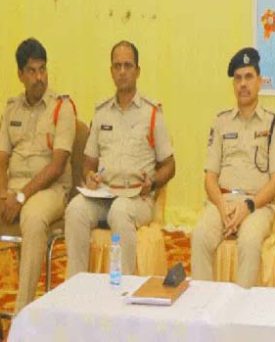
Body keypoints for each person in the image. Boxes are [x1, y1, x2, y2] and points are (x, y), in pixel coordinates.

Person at [65, 41, 175, 277]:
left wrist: (153, 183)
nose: (122, 71)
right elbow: (88, 162)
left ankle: (122, 287)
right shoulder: (101, 112)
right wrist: (89, 176)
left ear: (137, 71)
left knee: (120, 211)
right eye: (117, 66)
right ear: (111, 71)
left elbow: (170, 165)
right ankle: (76, 285)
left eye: (128, 65)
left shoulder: (152, 113)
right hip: (103, 195)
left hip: (137, 198)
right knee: (75, 209)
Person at [191, 47, 275, 288]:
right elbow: (210, 178)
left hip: (257, 205)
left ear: (259, 82)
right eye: (238, 78)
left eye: (249, 77)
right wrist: (222, 206)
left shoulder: (274, 122)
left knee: (249, 241)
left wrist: (248, 206)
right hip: (222, 202)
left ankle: (241, 305)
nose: (243, 84)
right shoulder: (221, 121)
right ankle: (203, 303)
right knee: (200, 236)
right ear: (233, 84)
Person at [0, 38, 76, 312]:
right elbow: (2, 159)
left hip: (49, 190)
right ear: (20, 74)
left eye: (42, 69)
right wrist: (3, 194)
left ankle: (22, 314)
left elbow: (57, 166)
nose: (39, 77)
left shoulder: (62, 108)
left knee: (32, 218)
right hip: (14, 189)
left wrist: (20, 197)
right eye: (32, 71)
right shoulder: (11, 108)